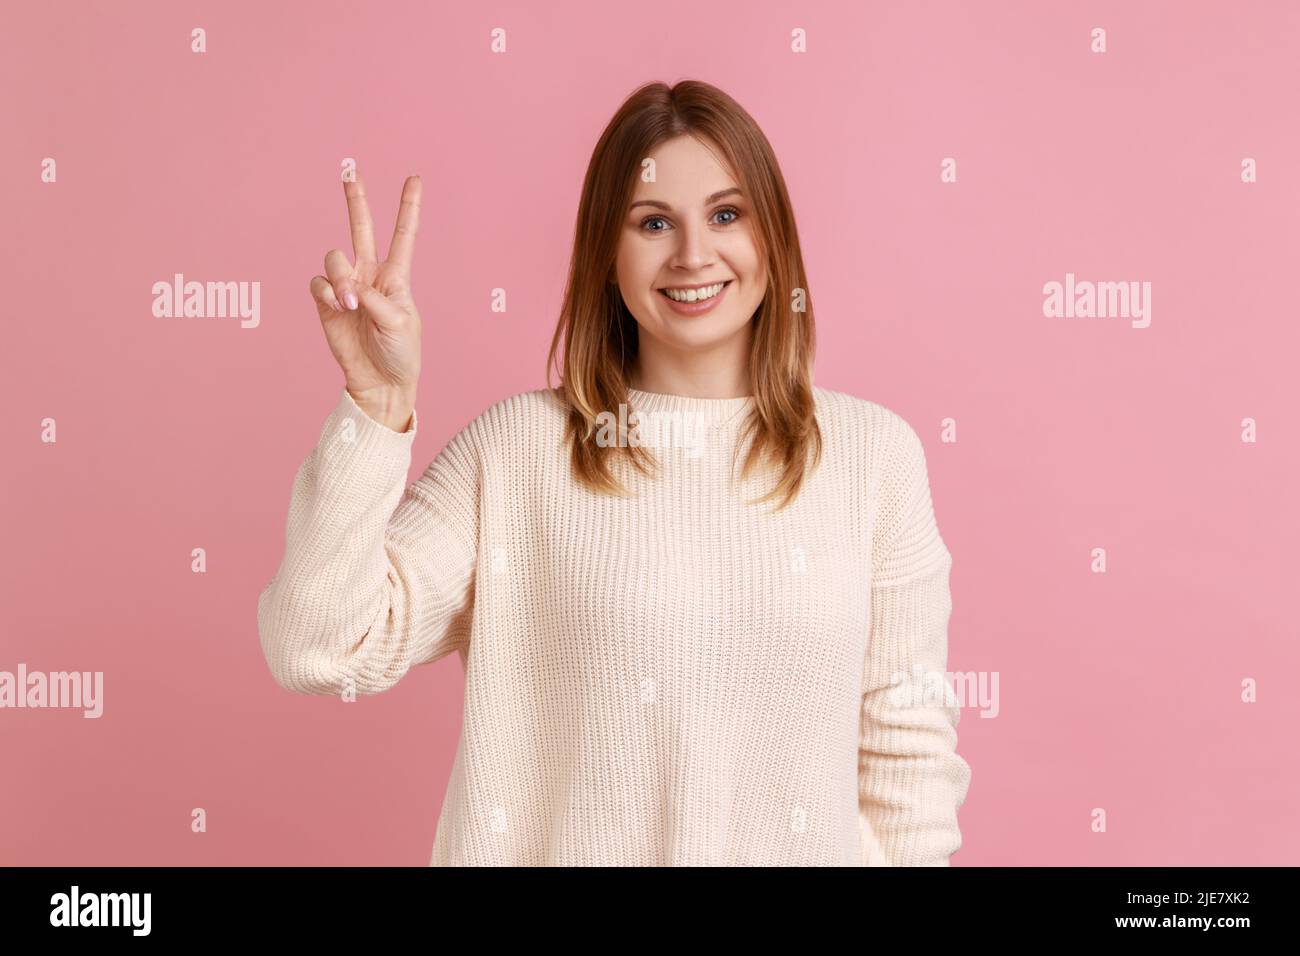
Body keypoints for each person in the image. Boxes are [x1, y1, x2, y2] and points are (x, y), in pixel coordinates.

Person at [257, 79, 972, 866]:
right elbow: (318, 646)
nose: (694, 255)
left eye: (727, 215)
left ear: (775, 236)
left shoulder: (874, 459)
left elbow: (908, 759)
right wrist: (377, 406)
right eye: (654, 223)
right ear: (607, 252)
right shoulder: (516, 454)